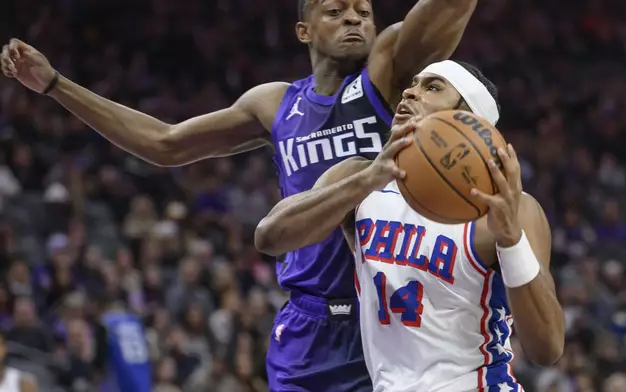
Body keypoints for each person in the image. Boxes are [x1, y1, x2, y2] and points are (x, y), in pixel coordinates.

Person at [1, 0, 478, 389]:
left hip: (394, 317)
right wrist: (55, 85)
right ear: (303, 30)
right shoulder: (273, 104)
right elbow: (165, 143)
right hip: (310, 326)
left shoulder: (389, 74)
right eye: (335, 11)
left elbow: (447, 11)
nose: (354, 18)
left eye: (363, 11)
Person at [255, 60, 566, 391]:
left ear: (468, 120)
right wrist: (367, 180)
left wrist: (511, 240)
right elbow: (270, 237)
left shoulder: (510, 208)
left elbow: (546, 348)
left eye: (432, 87)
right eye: (413, 82)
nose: (409, 91)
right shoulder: (360, 178)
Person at [93, 293, 152, 392]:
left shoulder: (106, 323)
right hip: (143, 377)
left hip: (121, 376)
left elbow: (100, 355)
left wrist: (97, 371)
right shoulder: (136, 322)